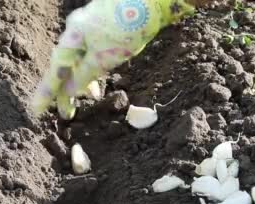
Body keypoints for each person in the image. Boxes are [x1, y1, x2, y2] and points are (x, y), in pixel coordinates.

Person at [31, 0, 213, 120]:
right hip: (134, 25)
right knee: (96, 59)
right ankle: (64, 92)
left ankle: (61, 74)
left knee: (82, 35)